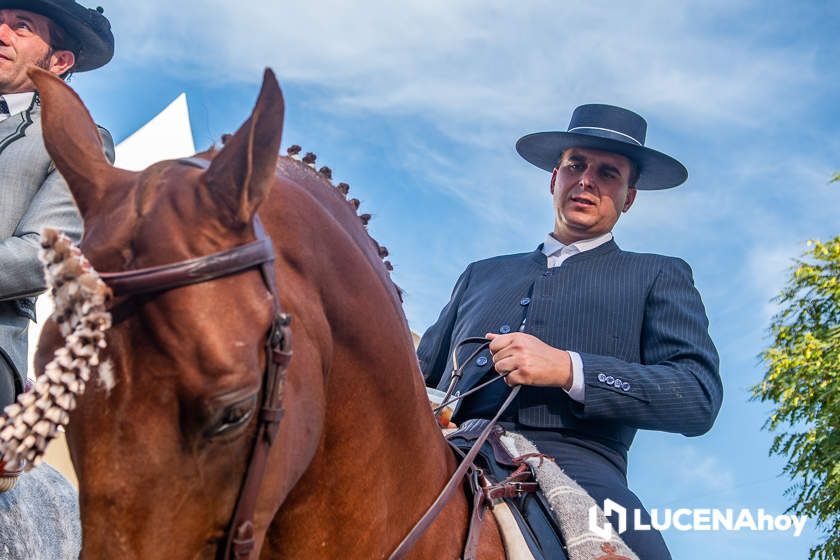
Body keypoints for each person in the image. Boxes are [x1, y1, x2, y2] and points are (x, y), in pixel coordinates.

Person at [418, 104, 722, 559]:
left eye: (608, 173)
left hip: (580, 464)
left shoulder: (658, 274)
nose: (587, 180)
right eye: (575, 165)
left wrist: (568, 369)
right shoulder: (480, 274)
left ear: (629, 197)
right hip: (450, 446)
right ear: (553, 179)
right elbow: (421, 377)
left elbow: (696, 397)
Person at [0, 0, 115, 411]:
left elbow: (41, 254)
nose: (2, 33)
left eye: (22, 26)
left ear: (59, 60)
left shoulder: (76, 137)